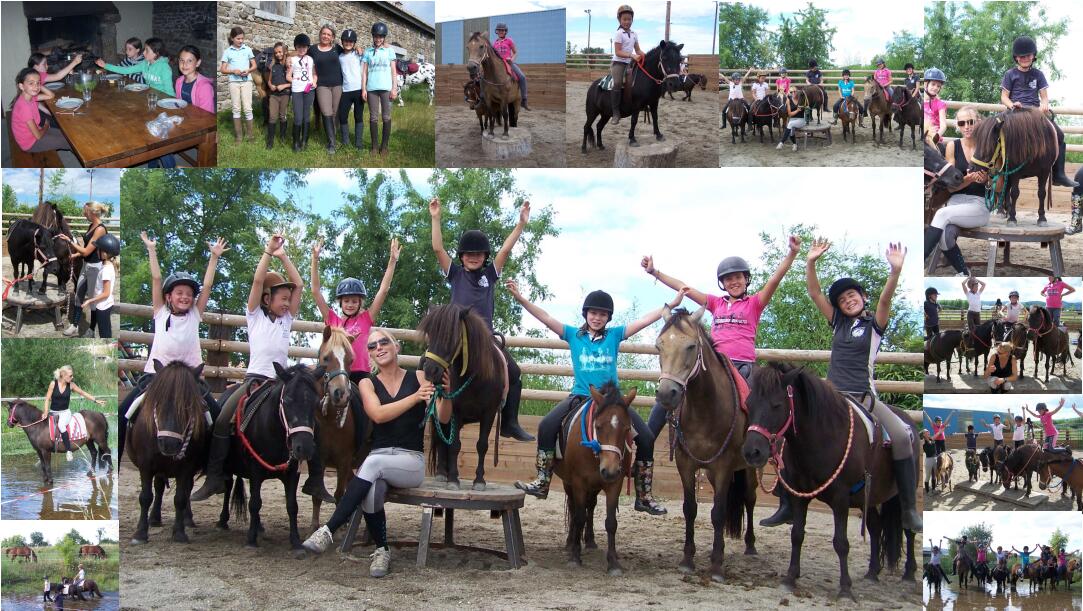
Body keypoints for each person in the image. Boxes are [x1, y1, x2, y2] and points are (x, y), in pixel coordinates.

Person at [641, 239, 800, 522]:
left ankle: (777, 469)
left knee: (764, 412)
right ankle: (645, 442)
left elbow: (775, 280)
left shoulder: (754, 303)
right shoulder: (715, 304)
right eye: (728, 279)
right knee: (669, 398)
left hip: (744, 367)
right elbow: (685, 288)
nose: (734, 282)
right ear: (722, 284)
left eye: (738, 277)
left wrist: (790, 255)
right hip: (715, 365)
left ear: (746, 280)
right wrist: (655, 273)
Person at [509, 281, 687, 515]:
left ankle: (643, 494)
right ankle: (543, 479)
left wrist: (671, 304)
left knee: (646, 437)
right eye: (593, 313)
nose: (597, 317)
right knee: (546, 425)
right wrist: (521, 299)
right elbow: (545, 318)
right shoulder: (573, 335)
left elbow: (644, 320)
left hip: (611, 401)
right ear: (586, 314)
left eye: (603, 314)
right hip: (580, 396)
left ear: (608, 318)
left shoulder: (614, 336)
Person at [191, 233, 332, 502]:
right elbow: (257, 280)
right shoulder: (254, 316)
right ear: (267, 299)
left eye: (289, 299)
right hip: (254, 380)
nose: (287, 303)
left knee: (312, 420)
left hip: (281, 381)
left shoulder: (286, 320)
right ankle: (215, 476)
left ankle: (315, 479)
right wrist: (268, 252)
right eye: (282, 298)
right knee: (221, 419)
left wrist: (283, 256)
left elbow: (300, 284)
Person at [302, 328, 448, 578]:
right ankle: (382, 550)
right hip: (378, 461)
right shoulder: (367, 383)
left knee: (373, 463)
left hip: (409, 461)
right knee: (371, 490)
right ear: (368, 355)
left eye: (384, 342)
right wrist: (414, 398)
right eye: (371, 346)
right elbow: (379, 415)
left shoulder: (420, 376)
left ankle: (328, 529)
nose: (378, 347)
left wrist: (447, 391)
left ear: (396, 347)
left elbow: (443, 417)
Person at [804, 239, 921, 531]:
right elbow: (814, 292)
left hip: (864, 397)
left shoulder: (874, 326)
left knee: (904, 435)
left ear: (863, 297)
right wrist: (810, 262)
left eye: (852, 295)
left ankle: (908, 508)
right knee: (792, 423)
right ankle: (786, 499)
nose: (847, 301)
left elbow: (885, 302)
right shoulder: (838, 323)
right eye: (842, 300)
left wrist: (894, 272)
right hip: (832, 397)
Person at [428, 197, 533, 442]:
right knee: (430, 362)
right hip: (456, 338)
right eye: (468, 254)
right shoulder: (454, 274)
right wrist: (435, 218)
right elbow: (437, 249)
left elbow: (505, 250)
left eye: (479, 254)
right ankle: (429, 405)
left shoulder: (490, 274)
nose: (474, 257)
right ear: (462, 256)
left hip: (485, 339)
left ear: (485, 256)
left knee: (514, 371)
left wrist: (520, 225)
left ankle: (509, 422)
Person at [117, 233, 227, 461]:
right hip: (156, 378)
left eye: (189, 294)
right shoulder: (161, 313)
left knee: (217, 418)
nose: (185, 297)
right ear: (168, 297)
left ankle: (212, 470)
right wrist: (151, 250)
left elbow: (207, 285)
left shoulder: (195, 314)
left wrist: (214, 258)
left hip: (190, 380)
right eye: (180, 293)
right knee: (122, 413)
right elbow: (156, 279)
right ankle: (115, 463)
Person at [310, 237, 399, 384]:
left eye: (354, 301)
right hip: (336, 373)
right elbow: (315, 291)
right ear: (340, 302)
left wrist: (392, 261)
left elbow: (383, 291)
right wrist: (314, 260)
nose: (350, 304)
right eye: (346, 301)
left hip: (361, 374)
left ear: (360, 303)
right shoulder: (332, 320)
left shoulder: (365, 318)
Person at [1000, 36, 1078, 188]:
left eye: (1028, 55)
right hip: (1016, 112)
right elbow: (1004, 96)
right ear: (1016, 57)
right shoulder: (1010, 74)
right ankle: (997, 168)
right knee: (996, 132)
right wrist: (1011, 105)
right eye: (1021, 56)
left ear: (1033, 56)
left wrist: (1044, 106)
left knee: (1059, 134)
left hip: (1035, 113)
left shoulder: (1038, 74)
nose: (1025, 58)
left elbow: (1044, 97)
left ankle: (1058, 174)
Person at [924, 105, 989, 277]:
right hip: (954, 203)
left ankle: (919, 260)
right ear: (958, 126)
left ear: (979, 122)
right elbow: (950, 186)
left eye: (970, 122)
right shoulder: (952, 146)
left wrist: (987, 180)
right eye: (962, 123)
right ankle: (965, 273)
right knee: (945, 238)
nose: (966, 126)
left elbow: (998, 187)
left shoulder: (988, 146)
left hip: (978, 205)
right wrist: (968, 179)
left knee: (941, 215)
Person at [60, 202, 110, 337]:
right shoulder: (91, 226)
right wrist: (75, 255)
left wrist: (69, 241)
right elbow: (88, 249)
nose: (84, 214)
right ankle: (75, 326)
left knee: (93, 300)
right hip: (86, 265)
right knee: (78, 296)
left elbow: (87, 252)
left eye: (85, 212)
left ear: (92, 212)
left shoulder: (100, 229)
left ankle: (92, 329)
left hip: (95, 268)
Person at [44, 365, 106, 460]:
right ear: (63, 375)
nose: (72, 377)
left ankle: (69, 451)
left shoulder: (71, 385)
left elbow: (83, 393)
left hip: (65, 413)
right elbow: (47, 398)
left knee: (61, 425)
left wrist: (95, 400)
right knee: (45, 430)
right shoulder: (53, 384)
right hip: (53, 412)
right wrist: (45, 412)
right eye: (70, 376)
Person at [10, 68, 69, 155]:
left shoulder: (30, 97)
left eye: (38, 83)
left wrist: (37, 86)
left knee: (68, 136)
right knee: (68, 142)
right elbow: (38, 136)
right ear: (21, 86)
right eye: (31, 83)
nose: (36, 86)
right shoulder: (23, 107)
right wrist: (46, 125)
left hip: (37, 132)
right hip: (30, 143)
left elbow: (51, 95)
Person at [361, 22, 399, 156]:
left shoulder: (389, 51)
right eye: (376, 36)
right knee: (373, 118)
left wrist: (394, 88)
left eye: (381, 37)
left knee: (386, 117)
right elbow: (364, 72)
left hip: (386, 89)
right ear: (373, 36)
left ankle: (384, 146)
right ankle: (374, 147)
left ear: (384, 37)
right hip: (371, 89)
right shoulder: (368, 51)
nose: (378, 39)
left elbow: (394, 71)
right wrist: (363, 89)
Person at [96, 37, 173, 97]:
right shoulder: (145, 64)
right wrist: (105, 65)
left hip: (161, 98)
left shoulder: (164, 68)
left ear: (156, 53)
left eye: (146, 50)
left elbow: (170, 91)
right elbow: (125, 70)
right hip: (150, 95)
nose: (143, 53)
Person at [310, 24, 344, 153]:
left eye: (328, 34)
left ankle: (333, 138)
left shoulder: (337, 48)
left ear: (332, 37)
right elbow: (301, 55)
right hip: (322, 85)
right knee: (326, 112)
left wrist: (358, 48)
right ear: (320, 35)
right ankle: (332, 144)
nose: (325, 36)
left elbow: (349, 50)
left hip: (337, 84)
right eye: (324, 33)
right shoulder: (313, 49)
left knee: (335, 113)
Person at [79, 233, 119, 338]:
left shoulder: (106, 270)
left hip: (103, 306)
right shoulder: (107, 265)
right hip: (103, 304)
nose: (96, 251)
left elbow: (106, 293)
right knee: (105, 331)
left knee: (104, 334)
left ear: (105, 254)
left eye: (98, 250)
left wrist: (89, 300)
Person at [220, 26, 256, 142]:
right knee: (236, 108)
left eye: (242, 39)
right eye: (238, 39)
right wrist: (233, 71)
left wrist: (248, 70)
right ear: (232, 38)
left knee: (247, 108)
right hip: (233, 82)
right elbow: (223, 69)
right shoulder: (227, 51)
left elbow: (254, 65)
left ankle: (251, 137)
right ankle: (239, 137)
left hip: (246, 82)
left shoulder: (247, 49)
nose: (241, 41)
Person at [609, 5, 642, 125]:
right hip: (619, 63)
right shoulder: (619, 33)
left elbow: (638, 51)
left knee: (639, 81)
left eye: (629, 19)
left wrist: (645, 56)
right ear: (619, 20)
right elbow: (618, 52)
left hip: (629, 63)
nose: (627, 22)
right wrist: (631, 55)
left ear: (632, 19)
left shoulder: (634, 34)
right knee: (617, 83)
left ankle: (637, 104)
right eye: (624, 19)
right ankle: (615, 112)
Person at [336, 29, 365, 150]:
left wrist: (359, 48)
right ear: (342, 42)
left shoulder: (359, 54)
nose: (348, 43)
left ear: (354, 43)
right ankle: (345, 141)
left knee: (358, 116)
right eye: (346, 41)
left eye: (351, 41)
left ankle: (358, 143)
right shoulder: (339, 56)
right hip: (346, 90)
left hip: (358, 90)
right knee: (342, 116)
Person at [287, 34, 316, 151]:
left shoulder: (311, 59)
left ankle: (305, 141)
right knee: (298, 117)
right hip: (297, 91)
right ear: (296, 47)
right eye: (299, 47)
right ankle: (296, 142)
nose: (302, 49)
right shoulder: (292, 60)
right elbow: (288, 75)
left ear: (307, 47)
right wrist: (294, 80)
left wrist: (314, 81)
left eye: (304, 47)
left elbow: (314, 74)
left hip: (309, 90)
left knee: (306, 116)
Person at [492, 23, 529, 110]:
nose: (501, 32)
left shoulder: (509, 41)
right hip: (498, 65)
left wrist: (512, 59)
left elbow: (515, 52)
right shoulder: (495, 43)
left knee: (522, 77)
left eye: (503, 30)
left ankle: (524, 100)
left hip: (509, 62)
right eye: (499, 30)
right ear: (497, 32)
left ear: (505, 31)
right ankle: (483, 97)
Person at [265, 43, 291, 149]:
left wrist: (284, 85)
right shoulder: (273, 66)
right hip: (274, 95)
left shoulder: (289, 66)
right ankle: (270, 142)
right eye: (275, 52)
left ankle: (283, 138)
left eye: (280, 52)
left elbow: (295, 82)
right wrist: (270, 85)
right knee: (272, 117)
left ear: (284, 52)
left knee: (282, 116)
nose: (278, 54)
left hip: (285, 94)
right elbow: (269, 80)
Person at [922, 68, 948, 145]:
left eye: (938, 86)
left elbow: (943, 126)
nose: (936, 87)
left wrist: (935, 137)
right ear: (926, 84)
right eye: (933, 84)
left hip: (933, 139)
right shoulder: (921, 102)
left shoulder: (940, 104)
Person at [776, 87, 805, 152]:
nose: (793, 93)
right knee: (791, 133)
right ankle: (795, 144)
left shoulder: (801, 99)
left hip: (801, 120)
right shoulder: (788, 100)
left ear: (797, 92)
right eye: (791, 92)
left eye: (795, 91)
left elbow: (806, 107)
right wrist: (797, 110)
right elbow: (789, 114)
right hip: (792, 119)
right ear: (790, 93)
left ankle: (781, 143)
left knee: (790, 124)